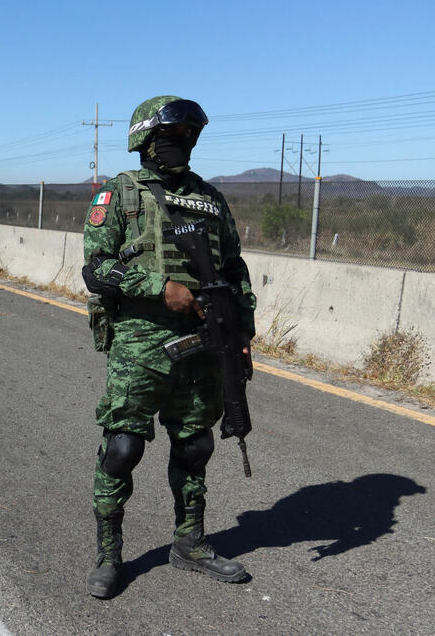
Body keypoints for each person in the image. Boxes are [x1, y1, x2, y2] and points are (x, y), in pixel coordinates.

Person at [81, 96, 257, 599]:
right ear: (144, 140)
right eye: (170, 136)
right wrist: (161, 288)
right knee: (122, 448)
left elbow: (235, 271)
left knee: (196, 444)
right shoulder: (120, 196)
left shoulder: (210, 198)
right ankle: (109, 555)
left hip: (204, 341)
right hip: (141, 340)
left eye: (187, 137)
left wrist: (241, 333)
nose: (180, 145)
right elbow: (96, 269)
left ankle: (190, 542)